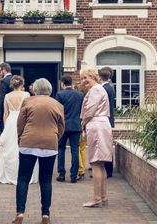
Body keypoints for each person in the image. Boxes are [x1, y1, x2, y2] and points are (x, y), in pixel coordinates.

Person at [13, 78, 64, 224]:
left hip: (28, 141)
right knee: (46, 179)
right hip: (50, 143)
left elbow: (20, 123)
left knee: (23, 178)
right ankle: (45, 215)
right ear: (50, 90)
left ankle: (20, 213)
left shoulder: (28, 102)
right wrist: (54, 137)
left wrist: (20, 138)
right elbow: (61, 127)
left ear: (35, 90)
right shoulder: (58, 104)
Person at [79, 68, 113, 208]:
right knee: (100, 163)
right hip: (101, 125)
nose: (83, 81)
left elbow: (89, 111)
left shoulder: (95, 90)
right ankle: (103, 197)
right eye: (82, 78)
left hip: (97, 126)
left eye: (85, 77)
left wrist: (82, 124)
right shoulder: (98, 89)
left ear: (93, 77)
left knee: (95, 163)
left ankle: (97, 198)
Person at [0, 75, 38, 185]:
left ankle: (10, 174)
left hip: (10, 121)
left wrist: (6, 127)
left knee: (9, 147)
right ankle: (23, 173)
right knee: (22, 146)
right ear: (22, 84)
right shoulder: (26, 95)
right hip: (22, 120)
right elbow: (28, 110)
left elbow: (5, 113)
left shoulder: (7, 96)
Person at [55, 74, 84, 183]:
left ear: (62, 83)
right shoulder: (80, 95)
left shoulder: (60, 94)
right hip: (76, 125)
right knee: (75, 150)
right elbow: (82, 111)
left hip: (63, 125)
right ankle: (73, 175)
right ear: (71, 83)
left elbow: (58, 111)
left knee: (61, 149)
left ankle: (61, 174)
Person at [99, 66, 116, 178]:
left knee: (105, 145)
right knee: (106, 145)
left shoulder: (105, 88)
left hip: (105, 120)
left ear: (100, 77)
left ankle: (107, 170)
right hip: (108, 119)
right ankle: (107, 168)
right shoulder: (110, 87)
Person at [0, 63, 13, 135]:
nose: (0, 73)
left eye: (0, 71)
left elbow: (1, 98)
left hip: (6, 111)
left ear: (4, 70)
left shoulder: (4, 81)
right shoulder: (15, 79)